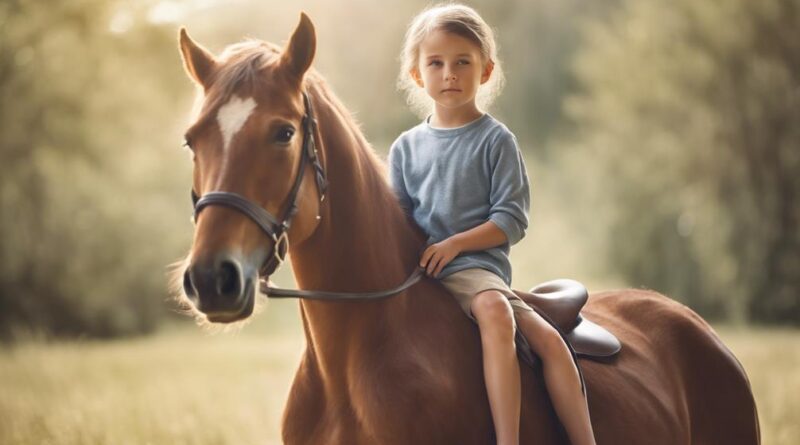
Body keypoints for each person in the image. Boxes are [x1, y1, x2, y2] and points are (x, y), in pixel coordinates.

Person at [388, 4, 597, 445]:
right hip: (421, 274)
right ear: (416, 74)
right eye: (436, 63)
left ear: (484, 72)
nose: (450, 73)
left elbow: (511, 218)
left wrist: (456, 245)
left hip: (476, 272)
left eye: (463, 61)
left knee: (544, 340)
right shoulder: (406, 148)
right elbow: (399, 218)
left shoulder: (496, 140)